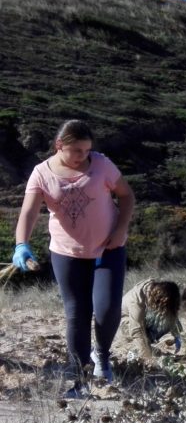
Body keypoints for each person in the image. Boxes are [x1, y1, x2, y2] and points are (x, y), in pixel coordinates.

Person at [13, 120, 135, 395]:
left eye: (88, 150)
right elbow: (29, 212)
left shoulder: (101, 165)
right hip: (67, 253)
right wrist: (22, 244)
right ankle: (79, 380)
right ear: (60, 146)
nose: (84, 156)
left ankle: (101, 355)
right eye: (77, 150)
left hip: (108, 248)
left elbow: (126, 196)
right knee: (77, 314)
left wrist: (121, 228)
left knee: (106, 310)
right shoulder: (41, 173)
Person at [113, 279, 183, 363]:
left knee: (165, 318)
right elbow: (136, 330)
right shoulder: (137, 300)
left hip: (143, 319)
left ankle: (146, 347)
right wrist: (147, 358)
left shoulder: (159, 289)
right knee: (140, 339)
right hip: (121, 322)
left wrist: (177, 335)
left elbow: (171, 312)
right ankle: (135, 348)